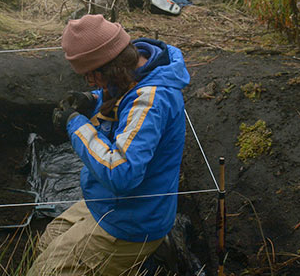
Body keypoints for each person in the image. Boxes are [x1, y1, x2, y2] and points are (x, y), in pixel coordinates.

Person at [28, 14, 189, 276]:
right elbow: (122, 93)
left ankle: (147, 256)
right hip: (112, 203)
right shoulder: (138, 67)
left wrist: (76, 124)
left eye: (91, 77)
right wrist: (92, 100)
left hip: (133, 222)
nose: (91, 83)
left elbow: (121, 172)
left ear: (107, 67)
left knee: (42, 273)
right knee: (47, 241)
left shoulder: (149, 101)